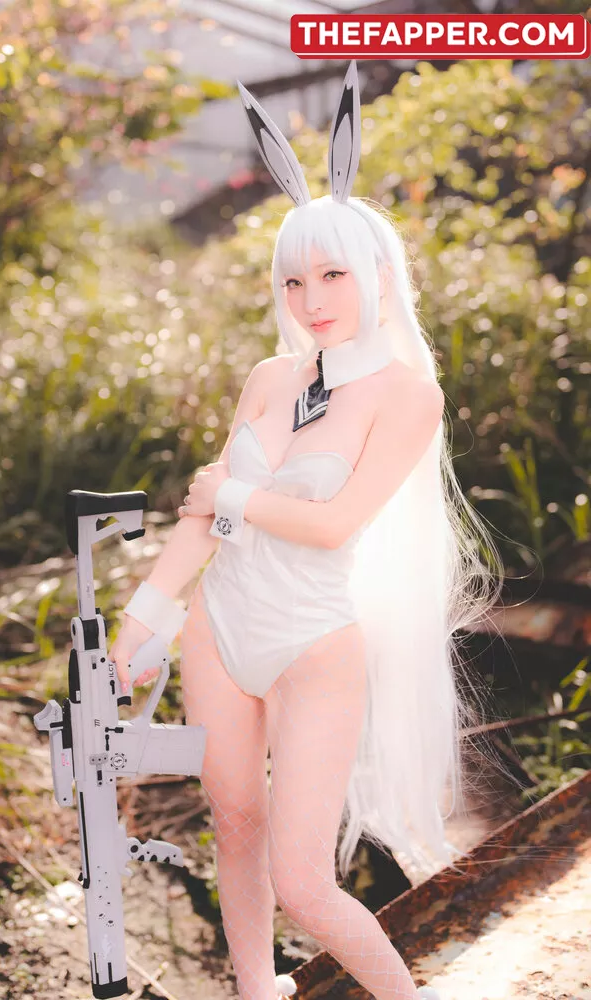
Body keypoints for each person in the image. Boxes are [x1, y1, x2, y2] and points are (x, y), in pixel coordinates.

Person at [110, 63, 505, 1000]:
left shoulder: (406, 395)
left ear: (378, 276)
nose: (313, 298)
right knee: (233, 822)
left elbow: (332, 526)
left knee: (303, 881)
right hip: (220, 626)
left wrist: (237, 497)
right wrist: (143, 618)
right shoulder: (270, 377)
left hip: (313, 641)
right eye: (294, 280)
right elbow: (204, 517)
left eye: (332, 274)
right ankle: (259, 989)